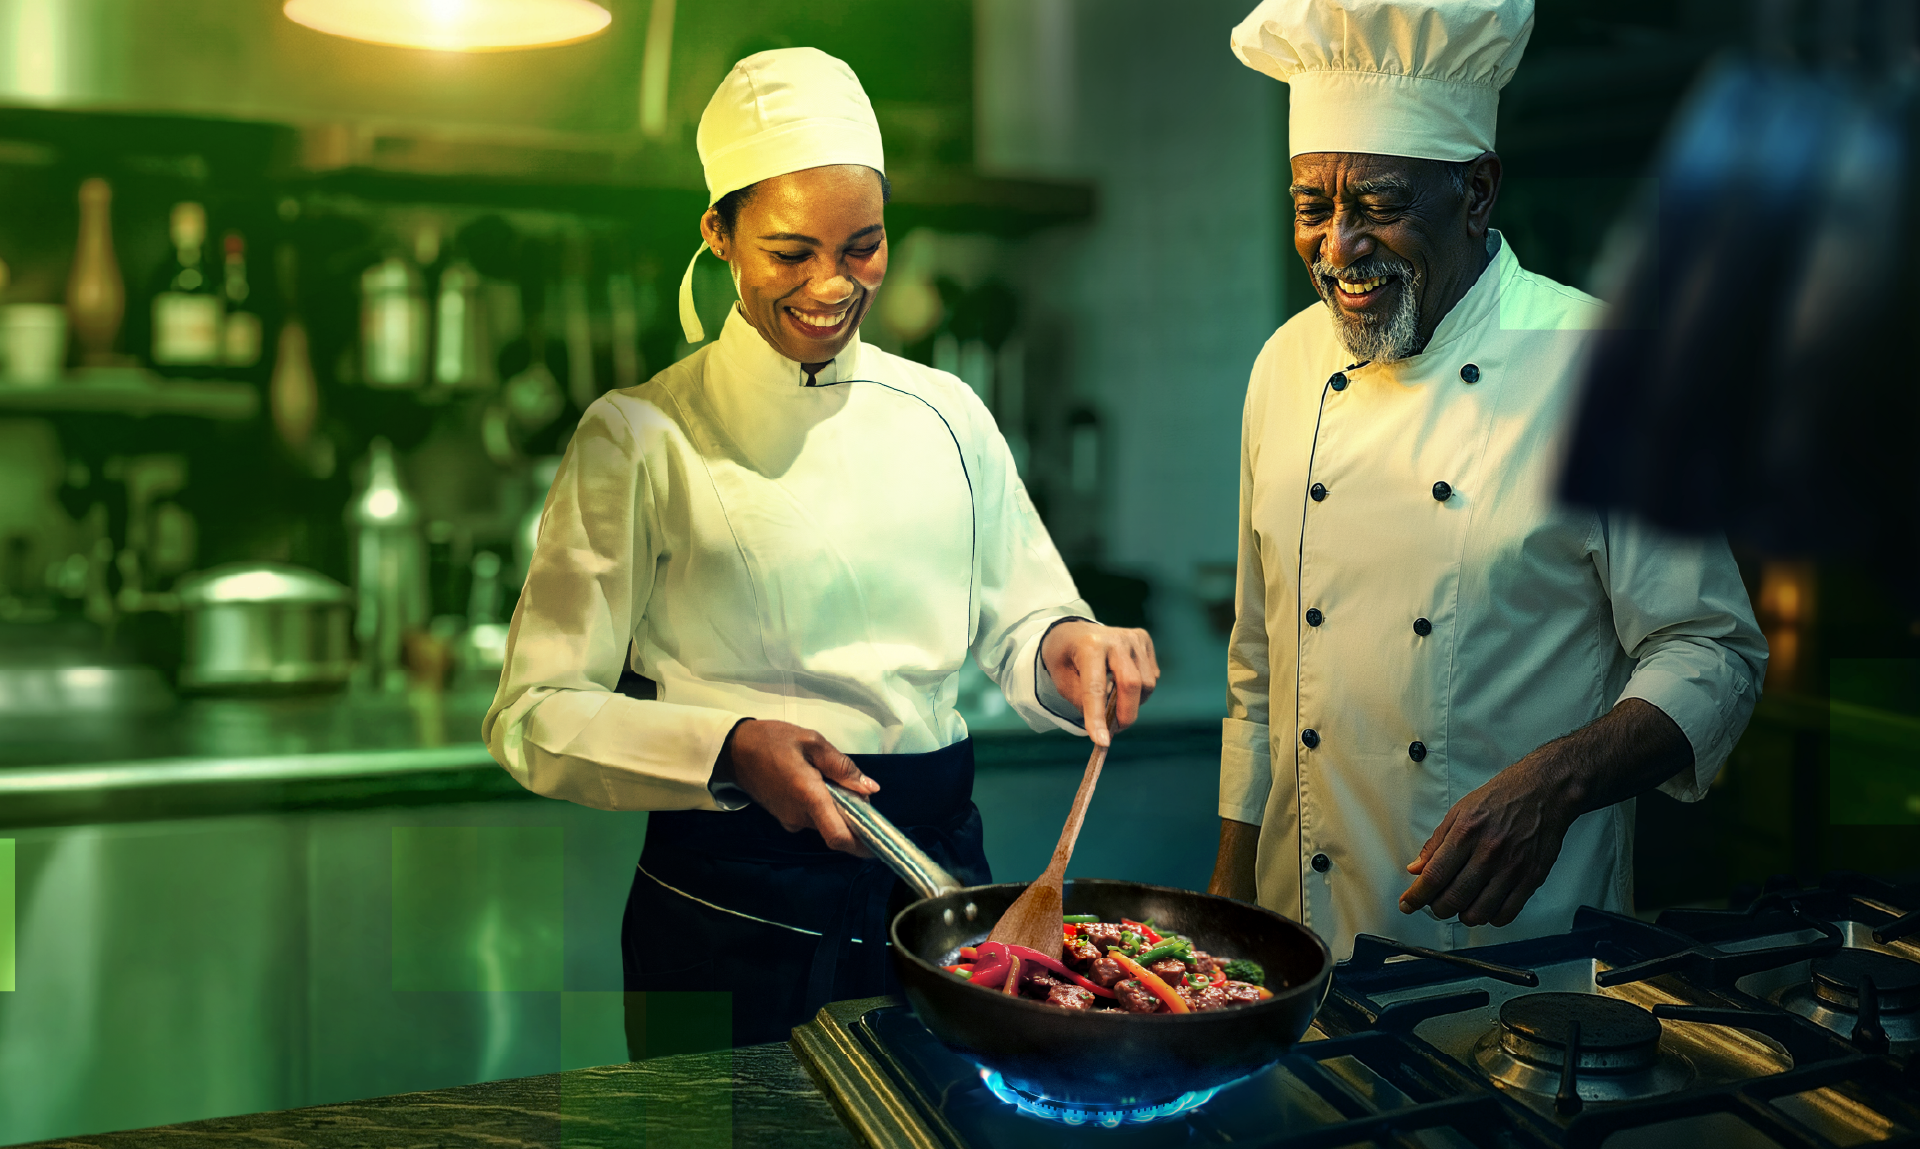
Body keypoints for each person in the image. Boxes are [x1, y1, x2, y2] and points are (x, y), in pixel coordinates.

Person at [483, 47, 1157, 1052]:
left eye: (865, 246)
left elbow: (1023, 620)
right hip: (726, 910)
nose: (833, 286)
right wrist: (726, 749)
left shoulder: (947, 411)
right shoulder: (638, 436)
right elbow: (532, 718)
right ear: (718, 233)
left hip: (936, 895)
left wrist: (1070, 646)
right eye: (792, 252)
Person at [1208, 0, 1767, 956]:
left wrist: (1557, 781)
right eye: (1313, 208)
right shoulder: (1286, 365)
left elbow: (1714, 652)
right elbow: (1260, 675)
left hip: (1515, 966)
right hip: (1295, 954)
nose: (1338, 248)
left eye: (1379, 206)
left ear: (1476, 191)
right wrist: (1228, 903)